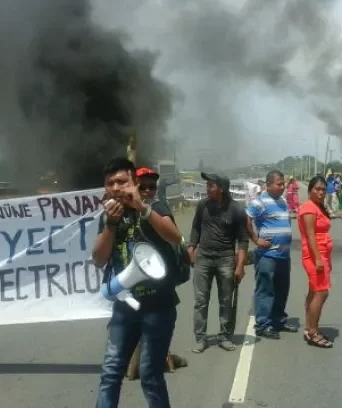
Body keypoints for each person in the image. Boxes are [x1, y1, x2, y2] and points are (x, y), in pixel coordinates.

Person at [92, 158, 183, 408]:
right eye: (111, 183)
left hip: (158, 306)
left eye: (122, 181)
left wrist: (143, 209)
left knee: (150, 375)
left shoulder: (155, 207)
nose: (117, 187)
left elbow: (175, 238)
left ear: (134, 182)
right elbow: (99, 259)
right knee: (111, 373)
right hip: (125, 308)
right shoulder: (108, 216)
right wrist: (110, 225)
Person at [188, 172, 249, 353]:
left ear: (221, 189)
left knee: (225, 301)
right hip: (203, 259)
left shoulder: (236, 209)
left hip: (225, 259)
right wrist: (191, 247)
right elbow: (195, 228)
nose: (207, 189)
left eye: (211, 186)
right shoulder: (202, 206)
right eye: (207, 185)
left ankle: (224, 336)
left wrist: (239, 266)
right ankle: (201, 338)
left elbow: (243, 239)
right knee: (200, 301)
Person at [246, 170, 298, 339]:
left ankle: (278, 321)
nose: (282, 187)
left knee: (282, 289)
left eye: (283, 184)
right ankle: (263, 324)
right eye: (279, 184)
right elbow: (246, 218)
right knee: (266, 290)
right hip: (267, 256)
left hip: (284, 255)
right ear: (268, 185)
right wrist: (255, 239)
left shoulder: (283, 201)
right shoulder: (260, 202)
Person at [298, 175, 334, 348]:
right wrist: (319, 259)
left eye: (323, 189)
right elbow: (311, 234)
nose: (320, 192)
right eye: (317, 189)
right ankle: (313, 332)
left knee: (314, 291)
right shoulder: (308, 208)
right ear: (310, 190)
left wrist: (327, 260)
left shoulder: (318, 207)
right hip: (314, 255)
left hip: (322, 255)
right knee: (321, 292)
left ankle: (310, 328)